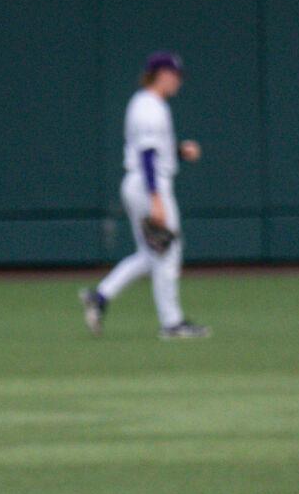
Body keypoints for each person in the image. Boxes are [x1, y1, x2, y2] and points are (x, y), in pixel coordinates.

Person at [81, 51, 209, 340]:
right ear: (161, 74)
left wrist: (177, 152)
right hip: (149, 184)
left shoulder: (143, 103)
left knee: (150, 254)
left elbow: (153, 151)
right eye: (175, 75)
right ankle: (172, 323)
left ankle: (100, 297)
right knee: (168, 251)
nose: (178, 81)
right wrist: (156, 198)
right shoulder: (150, 108)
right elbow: (148, 155)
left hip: (140, 181)